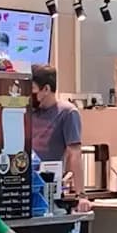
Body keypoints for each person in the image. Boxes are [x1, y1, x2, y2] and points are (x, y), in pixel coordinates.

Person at [29, 65, 85, 194]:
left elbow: (74, 154)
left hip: (50, 187)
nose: (29, 94)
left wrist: (81, 195)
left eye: (32, 89)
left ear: (46, 89)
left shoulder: (67, 113)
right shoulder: (28, 112)